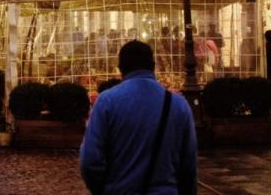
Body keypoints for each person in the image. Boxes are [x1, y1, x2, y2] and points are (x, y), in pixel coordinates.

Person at [79, 40, 197, 195]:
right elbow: (188, 165)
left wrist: (102, 189)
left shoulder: (106, 102)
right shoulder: (178, 105)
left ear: (121, 68)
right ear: (153, 66)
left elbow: (90, 160)